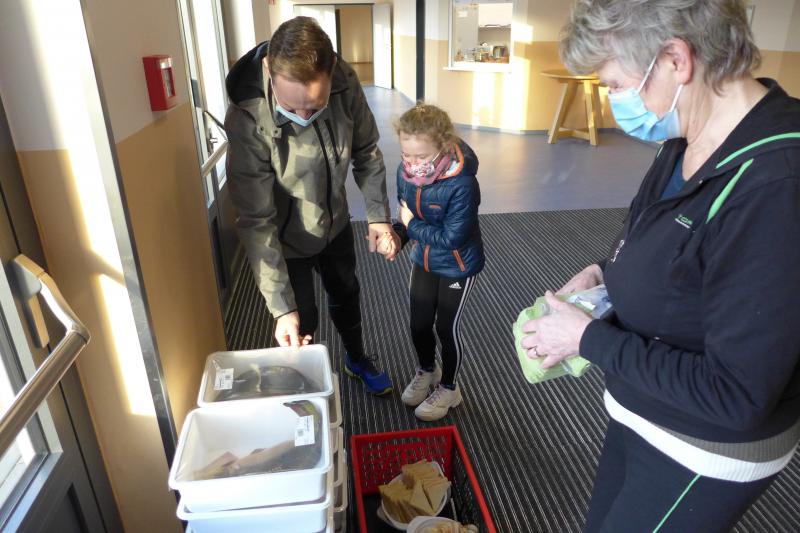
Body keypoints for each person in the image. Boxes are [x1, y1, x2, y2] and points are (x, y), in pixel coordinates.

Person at [521, 0, 800, 531]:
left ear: (676, 59)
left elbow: (736, 395)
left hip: (702, 446)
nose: (613, 103)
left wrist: (588, 340)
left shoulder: (776, 185)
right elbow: (663, 238)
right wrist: (606, 273)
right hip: (644, 403)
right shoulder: (687, 137)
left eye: (615, 85)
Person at [224, 16, 399, 395]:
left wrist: (378, 217)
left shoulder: (344, 82)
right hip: (285, 240)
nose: (303, 116)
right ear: (269, 70)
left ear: (331, 70)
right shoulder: (246, 118)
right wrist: (281, 308)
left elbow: (366, 151)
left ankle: (356, 359)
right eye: (292, 107)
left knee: (347, 294)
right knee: (301, 319)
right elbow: (256, 220)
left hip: (335, 223)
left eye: (315, 106)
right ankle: (303, 387)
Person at [394, 104, 484, 421]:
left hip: (457, 264)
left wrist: (410, 225)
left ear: (443, 146)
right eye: (406, 155)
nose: (412, 164)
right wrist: (397, 237)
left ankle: (449, 388)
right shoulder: (405, 173)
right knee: (418, 323)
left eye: (421, 157)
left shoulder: (462, 184)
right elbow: (406, 215)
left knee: (446, 328)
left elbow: (452, 238)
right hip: (424, 258)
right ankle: (426, 370)